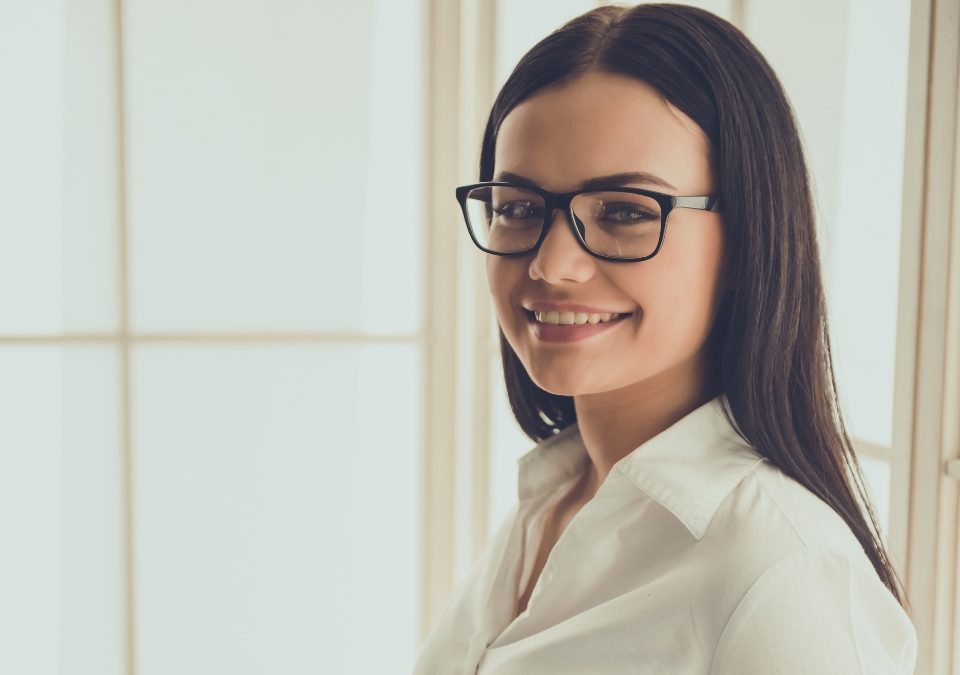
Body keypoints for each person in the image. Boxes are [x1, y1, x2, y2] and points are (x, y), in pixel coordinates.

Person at [413, 3, 918, 673]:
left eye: (624, 211)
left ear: (745, 238)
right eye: (517, 208)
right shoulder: (556, 500)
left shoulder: (782, 570)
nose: (551, 264)